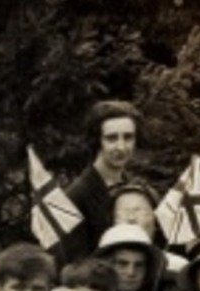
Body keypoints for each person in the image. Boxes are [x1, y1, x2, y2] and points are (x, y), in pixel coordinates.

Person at [61, 101, 142, 265]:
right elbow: (75, 264)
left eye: (128, 137)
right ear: (97, 141)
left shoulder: (136, 189)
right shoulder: (76, 196)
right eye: (112, 138)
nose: (121, 146)